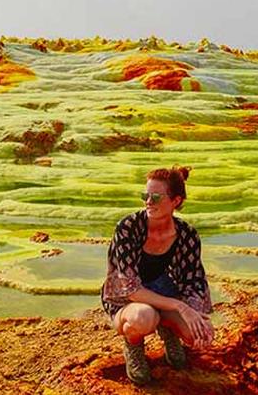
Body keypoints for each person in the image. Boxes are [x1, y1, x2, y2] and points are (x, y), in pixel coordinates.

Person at [100, 165, 214, 385]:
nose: (148, 202)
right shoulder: (128, 227)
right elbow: (130, 288)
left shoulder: (187, 234)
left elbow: (194, 281)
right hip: (126, 299)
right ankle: (133, 346)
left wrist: (197, 315)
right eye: (145, 195)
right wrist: (180, 307)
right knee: (143, 318)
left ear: (176, 201)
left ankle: (169, 331)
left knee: (198, 334)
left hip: (164, 292)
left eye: (155, 196)